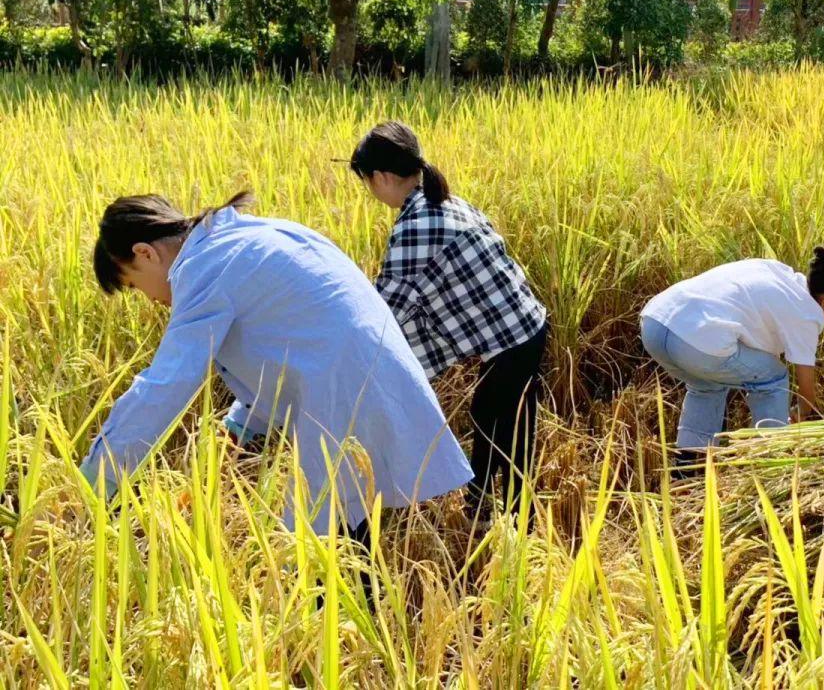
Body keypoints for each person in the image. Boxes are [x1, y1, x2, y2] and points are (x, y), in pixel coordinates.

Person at [80, 191, 473, 546]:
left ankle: (349, 620)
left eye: (135, 285)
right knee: (343, 522)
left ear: (145, 253)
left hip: (339, 389)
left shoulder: (203, 270)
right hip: (367, 374)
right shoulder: (249, 236)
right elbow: (283, 353)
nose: (149, 299)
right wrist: (239, 427)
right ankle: (362, 615)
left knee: (317, 541)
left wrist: (90, 485)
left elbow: (163, 387)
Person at [344, 121, 548, 522]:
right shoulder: (444, 201)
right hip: (523, 326)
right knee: (498, 421)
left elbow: (384, 310)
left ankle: (509, 518)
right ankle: (494, 510)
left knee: (500, 427)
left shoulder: (417, 224)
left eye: (368, 182)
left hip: (513, 338)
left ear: (383, 178)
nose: (371, 192)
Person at [640, 247, 824, 453]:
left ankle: (688, 465)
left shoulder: (778, 273)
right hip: (697, 343)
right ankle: (770, 456)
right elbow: (806, 393)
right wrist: (800, 411)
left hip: (655, 323)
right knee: (774, 377)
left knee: (708, 384)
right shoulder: (808, 314)